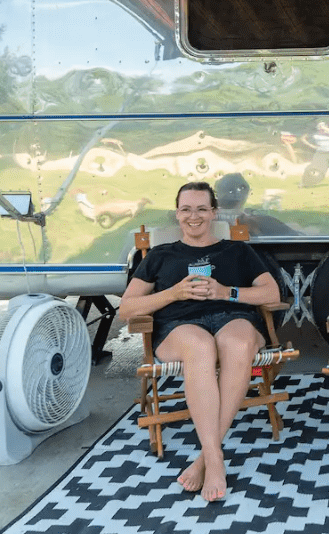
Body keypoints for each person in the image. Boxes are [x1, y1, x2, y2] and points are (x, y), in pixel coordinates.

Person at [118, 182, 281, 502]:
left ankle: (205, 458)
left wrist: (226, 292)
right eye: (186, 209)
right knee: (201, 347)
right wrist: (173, 294)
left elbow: (271, 294)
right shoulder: (160, 256)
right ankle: (216, 459)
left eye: (202, 209)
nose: (194, 216)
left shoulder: (237, 250)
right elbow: (127, 308)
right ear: (177, 214)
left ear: (213, 212)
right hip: (179, 326)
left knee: (236, 345)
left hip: (232, 318)